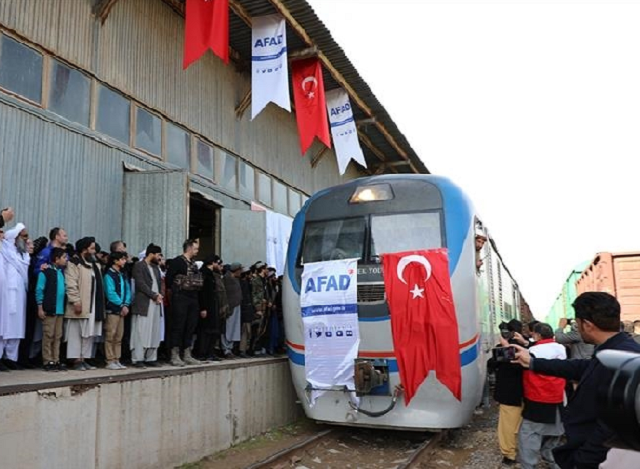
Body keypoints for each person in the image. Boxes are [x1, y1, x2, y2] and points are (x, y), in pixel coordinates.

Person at [513, 292, 640, 469]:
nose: (577, 328)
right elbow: (582, 367)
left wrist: (582, 461)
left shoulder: (621, 357)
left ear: (587, 325)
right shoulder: (616, 350)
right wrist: (533, 362)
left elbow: (611, 426)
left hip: (604, 459)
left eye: (577, 323)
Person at [518, 323, 566, 469]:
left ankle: (529, 465)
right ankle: (553, 462)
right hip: (558, 398)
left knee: (528, 436)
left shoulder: (532, 351)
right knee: (554, 434)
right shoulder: (560, 348)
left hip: (538, 398)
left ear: (537, 335)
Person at [488, 320, 525, 466]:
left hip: (510, 395)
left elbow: (491, 365)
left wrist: (505, 348)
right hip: (528, 394)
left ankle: (510, 455)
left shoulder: (504, 349)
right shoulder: (528, 346)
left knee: (508, 427)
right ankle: (523, 450)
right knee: (523, 426)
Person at [64, 237, 105, 371]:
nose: (94, 252)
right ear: (84, 249)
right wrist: (75, 300)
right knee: (76, 332)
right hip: (80, 303)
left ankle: (84, 358)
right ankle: (76, 360)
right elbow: (71, 283)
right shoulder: (74, 263)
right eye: (92, 248)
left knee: (89, 332)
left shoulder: (95, 264)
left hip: (93, 304)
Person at [166, 239, 205, 367]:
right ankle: (174, 354)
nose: (197, 251)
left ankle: (187, 353)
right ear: (189, 248)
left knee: (191, 325)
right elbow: (169, 280)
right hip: (180, 297)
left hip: (193, 297)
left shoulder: (194, 264)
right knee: (178, 325)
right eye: (195, 248)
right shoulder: (177, 262)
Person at [0, 223, 30, 369]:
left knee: (17, 327)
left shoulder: (23, 254)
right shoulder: (6, 251)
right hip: (7, 295)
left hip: (19, 295)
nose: (27, 239)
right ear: (16, 237)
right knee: (5, 326)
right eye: (24, 236)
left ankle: (11, 358)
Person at [130, 244, 164, 367]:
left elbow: (159, 285)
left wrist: (159, 295)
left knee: (154, 331)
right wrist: (153, 295)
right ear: (151, 254)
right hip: (144, 304)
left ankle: (151, 357)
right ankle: (138, 358)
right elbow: (140, 284)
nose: (160, 257)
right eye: (158, 255)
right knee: (140, 332)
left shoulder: (155, 268)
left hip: (155, 304)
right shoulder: (139, 266)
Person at [35, 248, 68, 371]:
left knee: (57, 336)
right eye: (64, 257)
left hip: (59, 310)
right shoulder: (45, 272)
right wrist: (40, 307)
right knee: (48, 335)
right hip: (49, 309)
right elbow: (39, 290)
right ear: (56, 259)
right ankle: (47, 360)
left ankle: (56, 359)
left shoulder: (60, 272)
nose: (66, 260)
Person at [103, 251, 131, 370]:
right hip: (113, 309)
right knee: (111, 334)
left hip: (122, 309)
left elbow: (128, 290)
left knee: (119, 336)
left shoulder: (122, 274)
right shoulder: (109, 274)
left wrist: (126, 303)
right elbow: (110, 292)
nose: (124, 261)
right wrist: (120, 304)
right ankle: (109, 360)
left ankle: (117, 358)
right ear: (115, 260)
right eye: (122, 259)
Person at [196, 255, 227, 361]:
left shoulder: (211, 275)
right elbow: (203, 292)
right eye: (217, 263)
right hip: (207, 306)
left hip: (212, 305)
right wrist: (203, 308)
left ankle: (210, 352)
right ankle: (202, 353)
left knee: (213, 330)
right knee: (205, 331)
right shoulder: (204, 274)